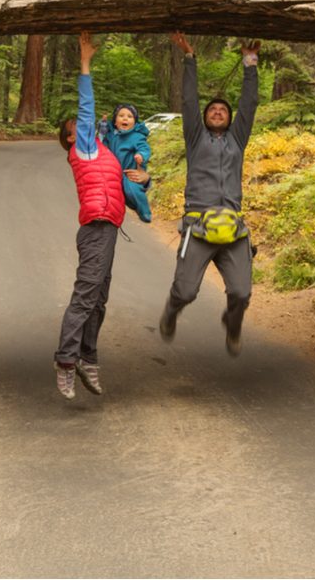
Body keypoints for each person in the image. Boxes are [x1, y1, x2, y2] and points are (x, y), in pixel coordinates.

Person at [54, 32, 150, 399]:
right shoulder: (83, 150)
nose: (84, 127)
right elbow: (87, 107)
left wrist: (146, 177)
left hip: (108, 228)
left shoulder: (105, 153)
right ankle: (65, 361)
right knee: (85, 297)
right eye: (76, 128)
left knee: (99, 299)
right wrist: (85, 65)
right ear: (70, 139)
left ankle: (88, 359)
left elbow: (132, 179)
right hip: (95, 226)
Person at [159, 32, 260, 356]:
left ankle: (232, 325)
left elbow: (249, 103)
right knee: (186, 291)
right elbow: (188, 101)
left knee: (241, 293)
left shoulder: (237, 140)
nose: (217, 111)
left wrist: (250, 62)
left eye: (222, 110)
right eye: (212, 109)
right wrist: (189, 58)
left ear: (230, 119)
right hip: (198, 225)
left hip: (233, 227)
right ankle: (172, 310)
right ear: (203, 118)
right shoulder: (195, 139)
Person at [99, 104, 152, 223]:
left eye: (130, 116)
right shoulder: (111, 135)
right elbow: (102, 140)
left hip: (129, 172)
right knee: (116, 194)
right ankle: (128, 206)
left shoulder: (137, 136)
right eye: (121, 115)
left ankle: (144, 211)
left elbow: (144, 148)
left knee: (132, 191)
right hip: (112, 172)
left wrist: (141, 155)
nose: (125, 118)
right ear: (115, 122)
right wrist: (102, 124)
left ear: (135, 122)